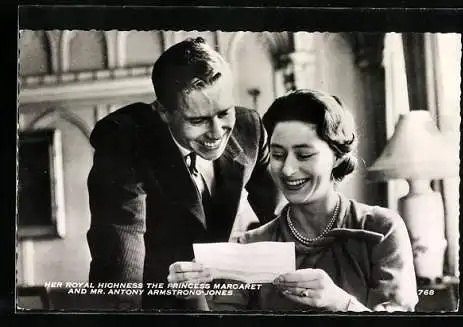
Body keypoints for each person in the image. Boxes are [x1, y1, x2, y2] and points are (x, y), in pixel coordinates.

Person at [167, 89, 419, 312]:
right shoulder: (251, 243)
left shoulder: (381, 229)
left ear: (338, 157)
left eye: (304, 154)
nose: (287, 170)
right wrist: (193, 295)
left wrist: (339, 302)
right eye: (277, 154)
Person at [86, 37, 279, 310]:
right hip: (159, 306)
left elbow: (279, 222)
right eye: (197, 120)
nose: (216, 133)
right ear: (163, 111)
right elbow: (120, 264)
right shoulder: (125, 141)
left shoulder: (250, 129)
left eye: (224, 113)